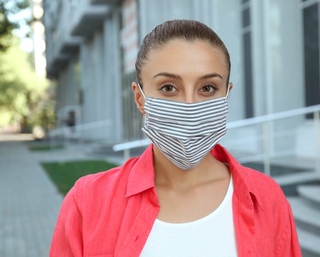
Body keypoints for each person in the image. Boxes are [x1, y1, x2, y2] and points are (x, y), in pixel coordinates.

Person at [50, 19, 302, 257]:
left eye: (207, 88)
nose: (189, 106)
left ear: (227, 94)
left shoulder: (268, 199)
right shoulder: (88, 202)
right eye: (168, 87)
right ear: (140, 98)